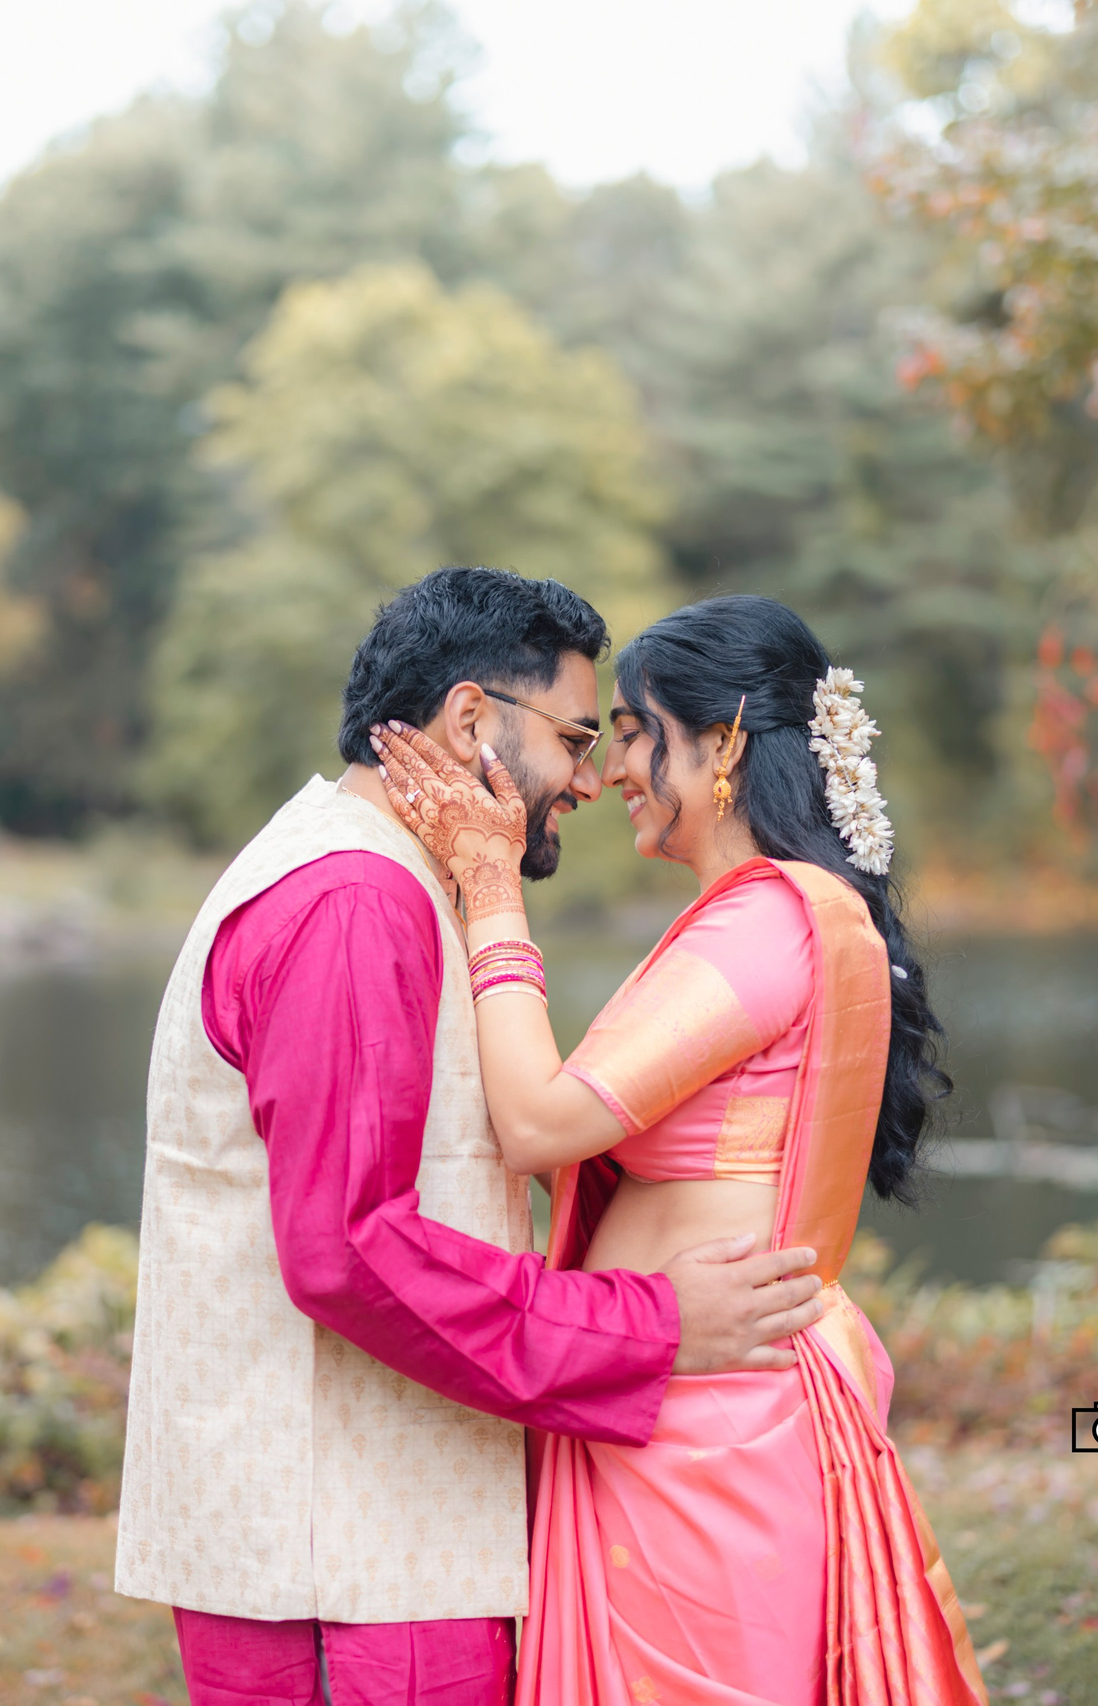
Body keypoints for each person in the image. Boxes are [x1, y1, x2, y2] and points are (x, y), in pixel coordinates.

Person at [114, 568, 831, 1706]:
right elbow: (345, 1248)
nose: (593, 779)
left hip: (357, 1535)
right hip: (346, 1557)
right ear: (467, 719)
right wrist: (648, 1321)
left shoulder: (375, 873)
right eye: (577, 736)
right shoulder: (354, 898)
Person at [372, 594, 990, 1706]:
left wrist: (490, 883)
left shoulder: (766, 922)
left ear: (722, 742)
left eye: (633, 730)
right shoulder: (764, 914)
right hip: (675, 1390)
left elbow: (542, 1124)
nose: (609, 771)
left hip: (707, 1416)